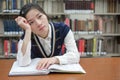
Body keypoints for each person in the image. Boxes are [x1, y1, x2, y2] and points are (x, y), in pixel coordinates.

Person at [15, 3, 80, 70]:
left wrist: (54, 59)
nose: (39, 23)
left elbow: (75, 55)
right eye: (31, 22)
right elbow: (22, 63)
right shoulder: (27, 36)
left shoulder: (62, 29)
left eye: (39, 16)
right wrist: (28, 30)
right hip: (38, 74)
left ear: (45, 14)